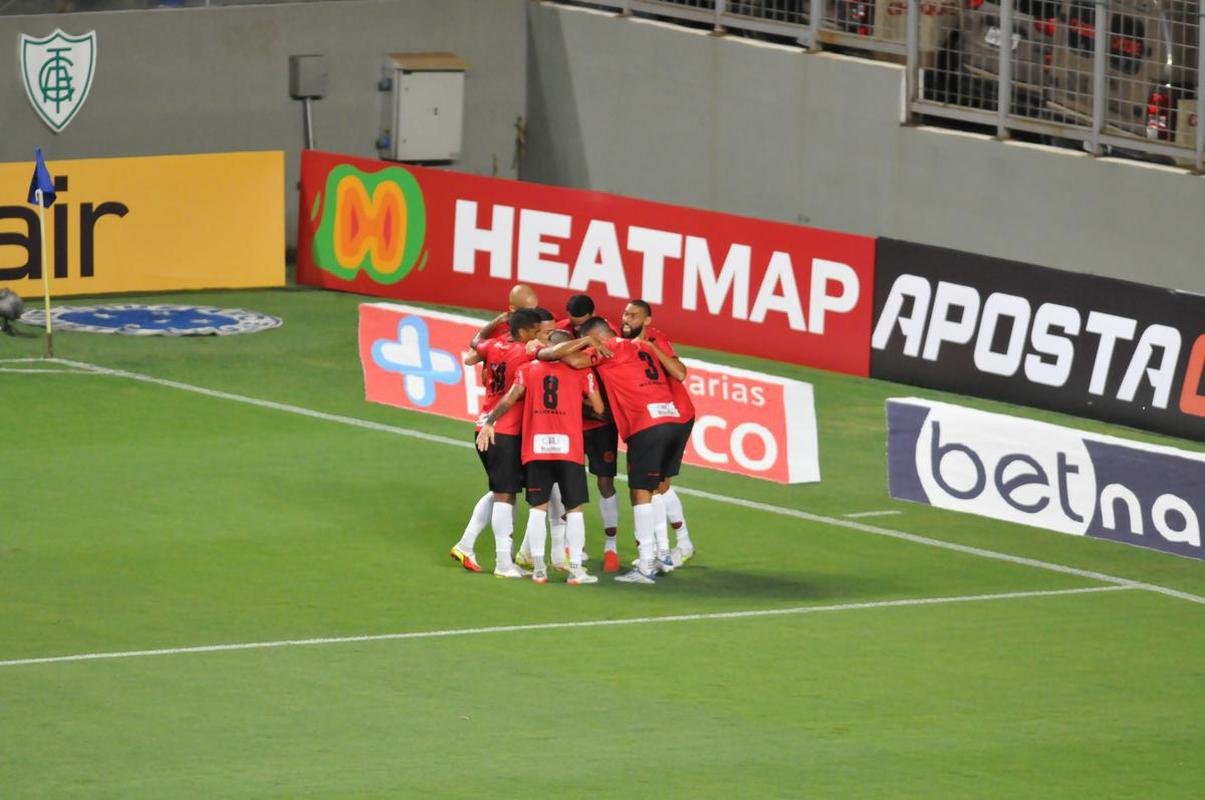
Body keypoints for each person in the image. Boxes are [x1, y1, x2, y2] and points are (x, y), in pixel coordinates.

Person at [540, 317, 688, 584]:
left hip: (646, 424)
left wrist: (552, 348)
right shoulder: (641, 346)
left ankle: (645, 566)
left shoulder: (609, 348)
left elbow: (574, 361)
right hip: (673, 419)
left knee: (640, 492)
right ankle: (663, 554)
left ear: (597, 338)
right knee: (656, 487)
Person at [478, 329, 605, 585]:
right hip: (569, 449)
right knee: (574, 509)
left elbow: (510, 398)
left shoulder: (527, 369)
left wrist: (490, 422)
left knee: (538, 509)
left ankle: (538, 570)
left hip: (536, 448)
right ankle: (576, 571)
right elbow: (599, 408)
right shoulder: (583, 372)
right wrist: (572, 404)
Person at [449, 308, 544, 578]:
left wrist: (497, 321)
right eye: (535, 332)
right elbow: (551, 354)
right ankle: (503, 563)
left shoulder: (494, 345)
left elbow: (474, 343)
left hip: (485, 426)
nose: (538, 336)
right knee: (504, 495)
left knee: (499, 490)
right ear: (523, 332)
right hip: (502, 431)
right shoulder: (525, 352)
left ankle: (466, 545)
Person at [621, 300, 696, 566]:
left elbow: (680, 373)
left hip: (672, 416)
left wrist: (651, 348)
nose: (626, 319)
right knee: (658, 486)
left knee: (648, 487)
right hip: (660, 419)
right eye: (625, 314)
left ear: (647, 321)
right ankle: (681, 544)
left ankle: (659, 552)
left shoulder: (656, 339)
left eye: (633, 315)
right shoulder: (620, 341)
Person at [556, 294, 623, 571]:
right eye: (573, 323)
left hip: (601, 421)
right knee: (566, 481)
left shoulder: (607, 334)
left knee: (605, 481)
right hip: (571, 420)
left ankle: (611, 547)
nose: (576, 328)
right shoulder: (560, 331)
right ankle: (571, 545)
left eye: (581, 324)